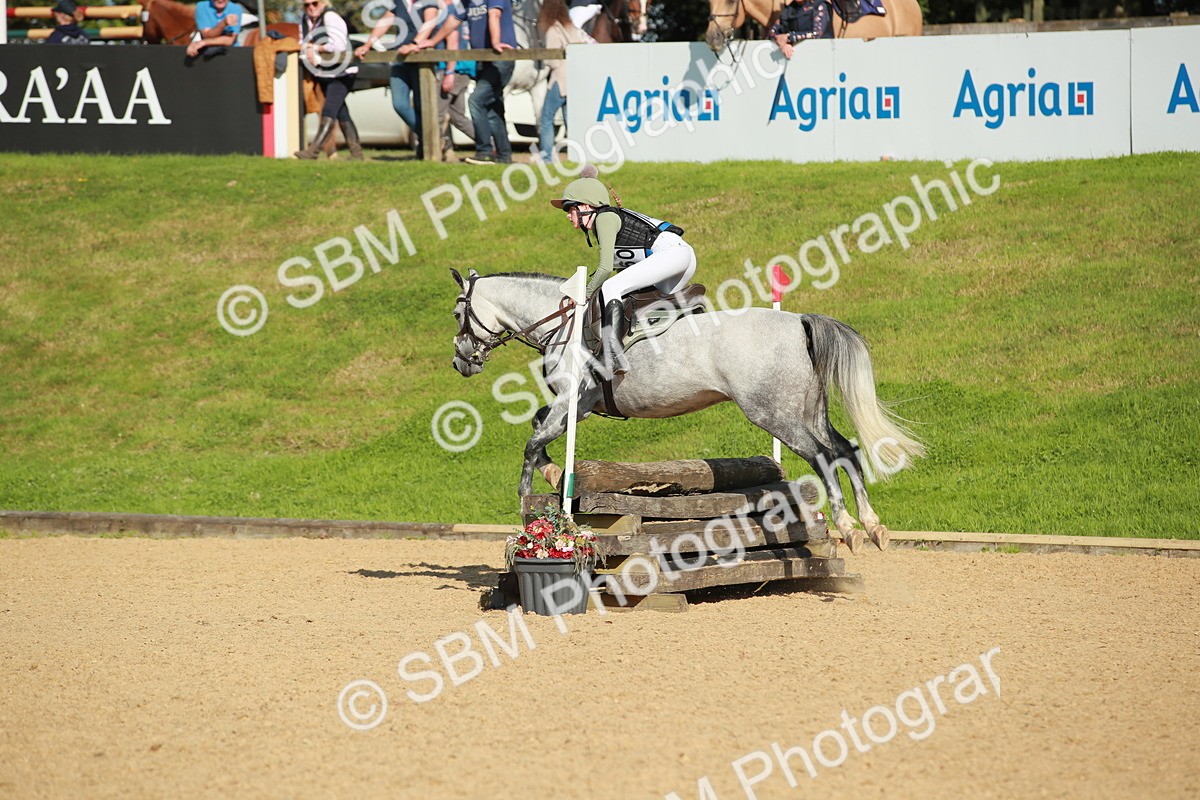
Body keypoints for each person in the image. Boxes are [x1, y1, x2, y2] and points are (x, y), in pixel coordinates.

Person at [550, 166, 696, 374]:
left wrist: (584, 293)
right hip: (682, 257)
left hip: (671, 254)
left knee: (611, 287)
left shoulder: (604, 218)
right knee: (633, 298)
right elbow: (623, 270)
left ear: (585, 206)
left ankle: (612, 355)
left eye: (569, 209)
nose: (567, 215)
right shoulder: (606, 220)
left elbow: (605, 269)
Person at [417, 0, 518, 165]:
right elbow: (452, 21)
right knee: (493, 109)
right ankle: (504, 156)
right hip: (482, 60)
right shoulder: (466, 3)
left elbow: (494, 15)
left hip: (501, 58)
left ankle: (485, 152)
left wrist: (495, 42)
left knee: (476, 101)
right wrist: (433, 41)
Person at [354, 0, 440, 156]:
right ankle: (429, 137)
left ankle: (426, 147)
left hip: (421, 59)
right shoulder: (399, 2)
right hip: (400, 59)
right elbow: (384, 23)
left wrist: (414, 43)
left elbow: (430, 23)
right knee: (399, 104)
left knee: (422, 105)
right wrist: (367, 44)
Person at [294, 0, 363, 160]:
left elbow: (338, 45)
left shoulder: (330, 17)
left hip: (343, 72)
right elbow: (302, 43)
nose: (311, 7)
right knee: (341, 112)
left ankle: (313, 151)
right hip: (325, 73)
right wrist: (308, 51)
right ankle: (356, 153)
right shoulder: (304, 20)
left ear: (323, 3)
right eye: (306, 5)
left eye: (315, 3)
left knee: (329, 109)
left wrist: (316, 48)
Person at [537, 0, 592, 162]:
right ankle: (579, 155)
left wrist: (545, 62)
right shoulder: (573, 29)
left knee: (546, 119)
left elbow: (552, 60)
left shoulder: (553, 30)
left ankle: (547, 157)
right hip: (575, 79)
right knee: (570, 120)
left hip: (559, 79)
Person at [438, 20, 476, 157]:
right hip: (463, 70)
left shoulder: (451, 15)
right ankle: (489, 144)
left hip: (454, 70)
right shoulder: (463, 16)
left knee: (436, 114)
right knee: (458, 118)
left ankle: (433, 152)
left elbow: (453, 41)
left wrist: (449, 73)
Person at [768, 0, 832, 59]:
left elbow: (817, 33)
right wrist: (783, 44)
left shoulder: (819, 5)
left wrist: (789, 37)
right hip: (798, 57)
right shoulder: (789, 9)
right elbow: (772, 33)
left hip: (821, 55)